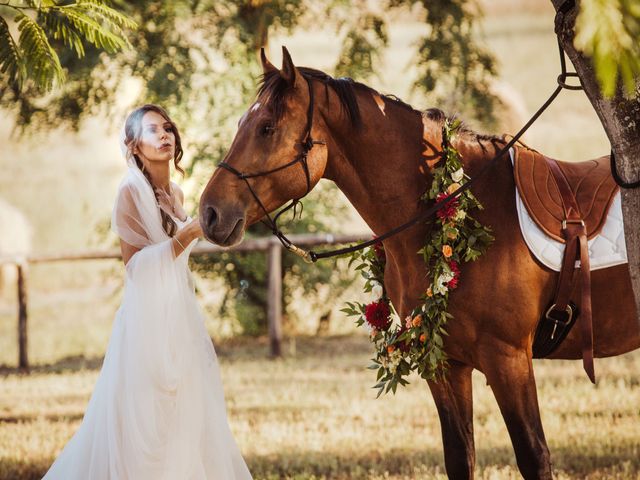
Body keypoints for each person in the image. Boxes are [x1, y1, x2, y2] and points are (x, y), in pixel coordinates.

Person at [42, 104, 253, 480]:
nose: (164, 135)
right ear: (134, 146)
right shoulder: (128, 193)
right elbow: (136, 268)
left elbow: (180, 253)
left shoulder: (176, 192)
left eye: (168, 127)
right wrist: (187, 234)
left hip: (179, 315)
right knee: (146, 419)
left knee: (185, 413)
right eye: (152, 130)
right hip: (145, 322)